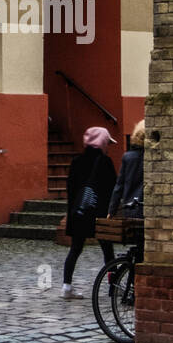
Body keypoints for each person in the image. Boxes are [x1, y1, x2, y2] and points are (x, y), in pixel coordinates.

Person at [61, 126, 117, 299]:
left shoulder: (76, 161)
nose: (108, 146)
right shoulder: (105, 162)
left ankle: (66, 287)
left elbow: (70, 189)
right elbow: (112, 189)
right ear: (101, 142)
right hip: (99, 215)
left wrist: (73, 212)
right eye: (107, 142)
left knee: (75, 249)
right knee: (108, 251)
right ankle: (113, 287)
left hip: (79, 213)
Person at [108, 119, 145, 258]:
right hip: (145, 210)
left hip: (130, 210)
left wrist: (111, 210)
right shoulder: (152, 158)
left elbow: (119, 186)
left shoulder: (127, 157)